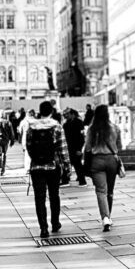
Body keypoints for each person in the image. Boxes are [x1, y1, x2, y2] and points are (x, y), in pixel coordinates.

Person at [23, 99, 71, 240]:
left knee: (39, 198)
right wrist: (67, 166)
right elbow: (63, 148)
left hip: (36, 167)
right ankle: (55, 223)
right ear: (51, 111)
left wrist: (35, 160)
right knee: (54, 195)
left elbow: (28, 146)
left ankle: (43, 228)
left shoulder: (31, 127)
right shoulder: (56, 126)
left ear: (40, 111)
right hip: (53, 166)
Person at [84, 103, 125, 232]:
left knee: (101, 191)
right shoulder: (114, 128)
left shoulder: (92, 129)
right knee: (110, 191)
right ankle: (109, 216)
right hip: (111, 160)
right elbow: (120, 147)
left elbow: (87, 148)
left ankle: (105, 218)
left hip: (97, 161)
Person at [62, 108, 87, 185]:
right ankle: (65, 180)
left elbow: (82, 137)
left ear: (72, 114)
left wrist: (79, 149)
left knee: (77, 164)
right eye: (64, 115)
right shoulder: (65, 124)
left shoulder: (79, 122)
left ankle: (82, 181)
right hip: (68, 147)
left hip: (76, 147)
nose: (65, 116)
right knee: (66, 164)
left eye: (67, 114)